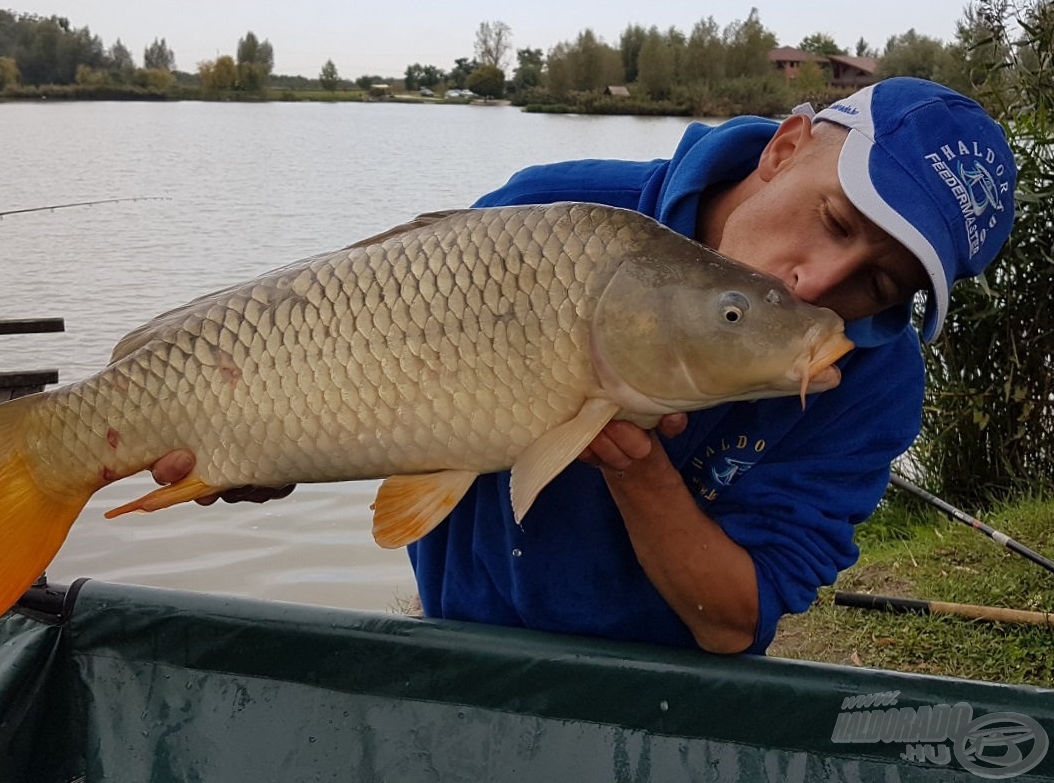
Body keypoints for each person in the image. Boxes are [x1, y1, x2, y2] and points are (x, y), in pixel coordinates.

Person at [152, 76, 1014, 655]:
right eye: (832, 220)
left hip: (663, 691)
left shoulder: (870, 381)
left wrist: (637, 468)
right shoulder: (549, 213)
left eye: (881, 283)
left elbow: (734, 622)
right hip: (461, 641)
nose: (821, 284)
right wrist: (258, 445)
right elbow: (368, 376)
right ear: (785, 147)